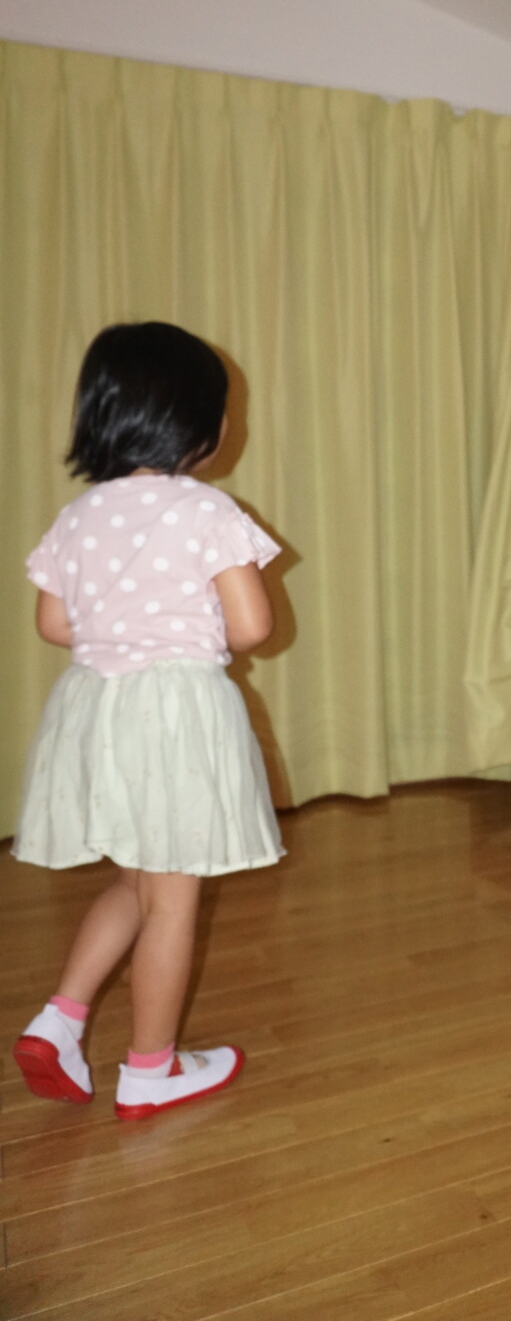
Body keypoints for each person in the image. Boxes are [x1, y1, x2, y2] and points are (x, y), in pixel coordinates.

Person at [11, 322, 284, 1121]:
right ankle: (150, 1070)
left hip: (98, 710)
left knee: (134, 881)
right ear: (196, 423)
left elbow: (53, 625)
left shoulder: (79, 516)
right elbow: (252, 626)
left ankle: (60, 1019)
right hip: (175, 716)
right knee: (172, 898)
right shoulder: (208, 511)